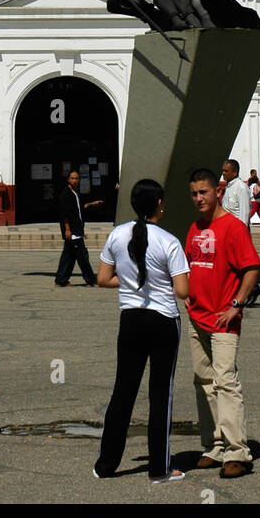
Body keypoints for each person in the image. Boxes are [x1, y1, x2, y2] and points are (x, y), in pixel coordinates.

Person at [94, 178, 189, 482]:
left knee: (123, 391)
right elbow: (182, 290)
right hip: (163, 320)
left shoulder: (117, 235)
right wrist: (155, 283)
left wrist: (133, 282)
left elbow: (103, 278)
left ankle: (105, 465)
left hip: (131, 318)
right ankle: (158, 469)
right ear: (159, 204)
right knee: (161, 394)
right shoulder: (169, 240)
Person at [186, 167, 260, 478]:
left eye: (203, 192)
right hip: (197, 317)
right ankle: (214, 445)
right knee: (203, 383)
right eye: (194, 193)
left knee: (226, 383)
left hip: (223, 318)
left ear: (218, 192)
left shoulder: (232, 227)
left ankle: (237, 452)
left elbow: (252, 267)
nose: (199, 198)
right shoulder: (194, 227)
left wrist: (237, 304)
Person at [54, 170, 102, 287]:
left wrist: (92, 204)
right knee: (82, 257)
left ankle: (61, 280)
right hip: (73, 231)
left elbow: (80, 209)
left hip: (77, 229)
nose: (75, 180)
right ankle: (90, 279)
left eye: (76, 178)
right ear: (68, 180)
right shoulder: (66, 195)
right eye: (72, 178)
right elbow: (64, 214)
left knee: (69, 256)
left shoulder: (75, 193)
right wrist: (67, 229)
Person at [220, 160, 250, 226]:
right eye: (223, 170)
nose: (223, 173)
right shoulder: (228, 187)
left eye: (226, 171)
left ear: (235, 172)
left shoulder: (241, 188)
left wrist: (241, 232)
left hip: (237, 230)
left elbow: (244, 214)